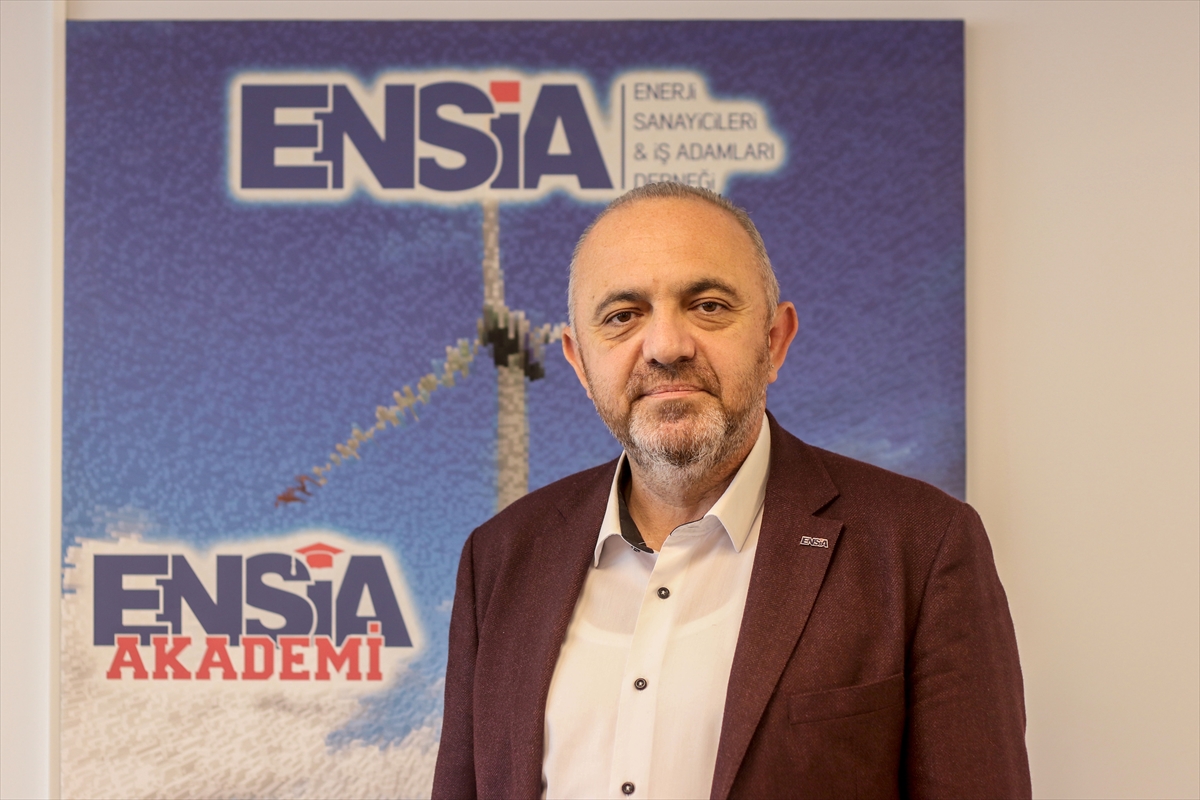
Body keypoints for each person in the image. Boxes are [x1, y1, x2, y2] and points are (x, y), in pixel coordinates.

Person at [432, 183, 1031, 799]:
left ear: (774, 341)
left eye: (709, 306)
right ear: (580, 363)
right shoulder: (499, 559)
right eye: (622, 316)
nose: (666, 347)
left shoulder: (921, 546)